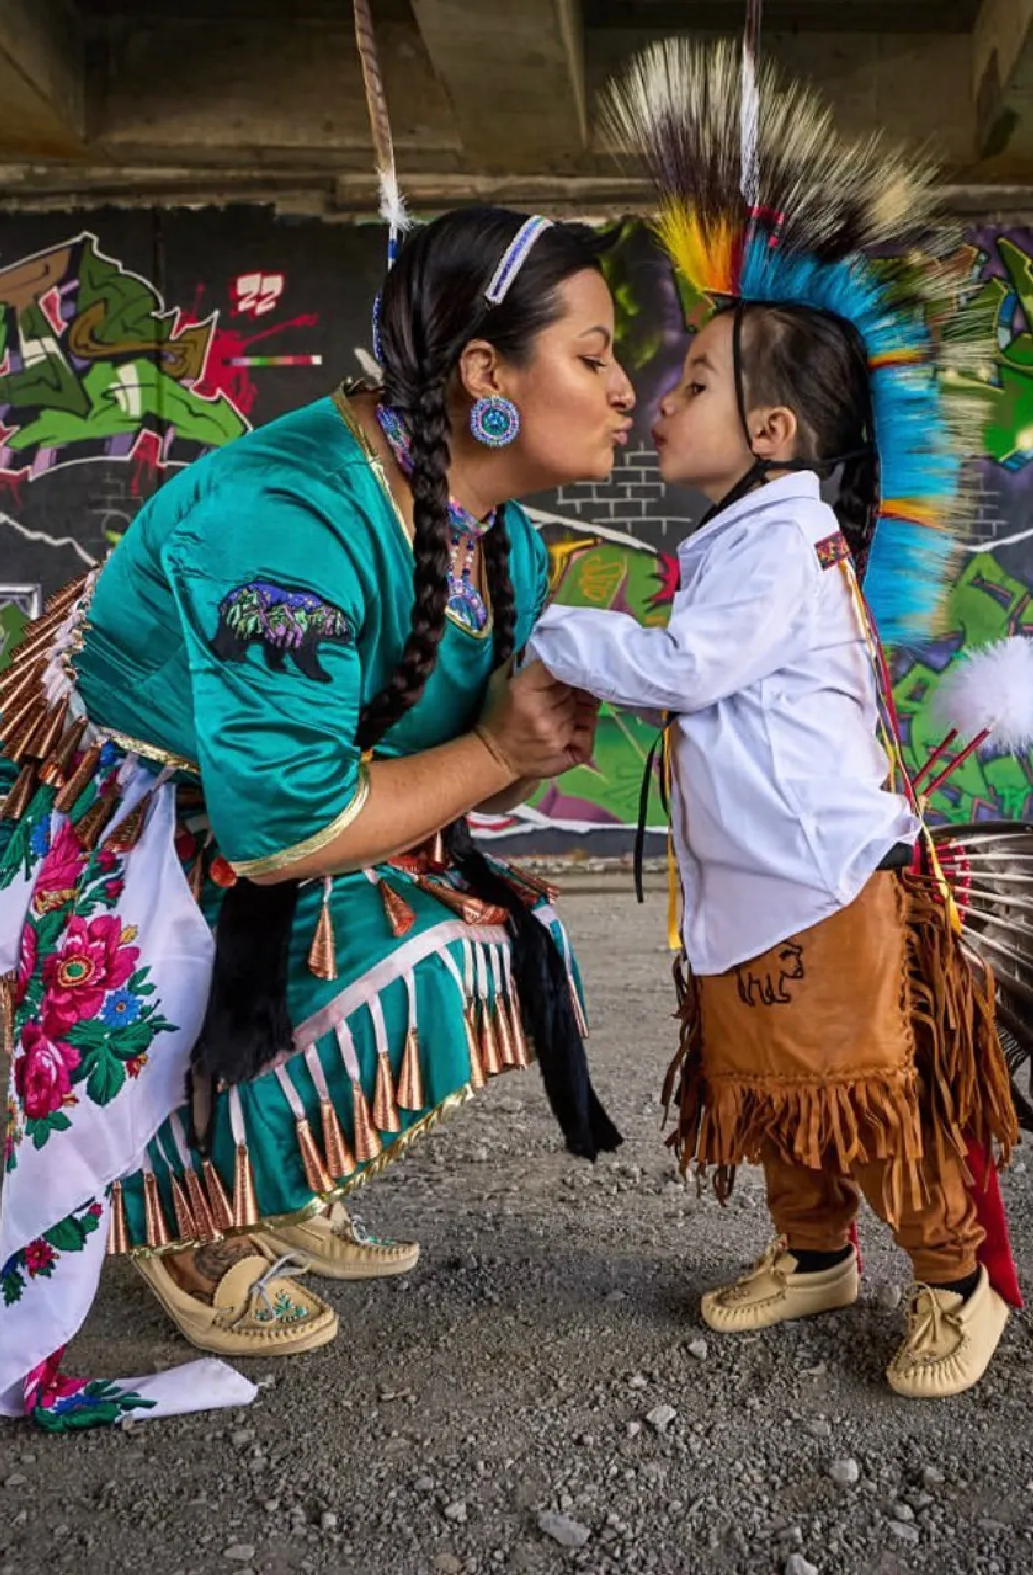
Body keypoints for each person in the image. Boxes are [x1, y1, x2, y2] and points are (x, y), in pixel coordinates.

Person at [0, 204, 634, 1428]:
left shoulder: (505, 546)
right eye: (594, 355)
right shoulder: (286, 526)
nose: (623, 389)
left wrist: (518, 751)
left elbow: (438, 790)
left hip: (252, 795)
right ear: (488, 376)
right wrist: (498, 743)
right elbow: (279, 829)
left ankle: (253, 1168)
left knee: (484, 931)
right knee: (185, 994)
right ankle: (170, 1208)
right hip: (127, 780)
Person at [531, 38, 1018, 1400]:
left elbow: (682, 667)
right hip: (754, 886)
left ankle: (954, 1272)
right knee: (771, 1094)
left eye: (689, 381)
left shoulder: (774, 535)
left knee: (858, 1096)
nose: (659, 397)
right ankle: (810, 1254)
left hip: (816, 882)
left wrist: (541, 621)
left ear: (774, 431)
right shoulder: (752, 527)